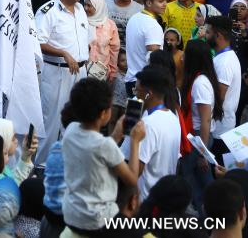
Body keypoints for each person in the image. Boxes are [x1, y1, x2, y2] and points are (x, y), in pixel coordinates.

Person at [61, 78, 140, 234]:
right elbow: (132, 179)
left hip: (72, 214)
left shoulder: (71, 130)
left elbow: (96, 151)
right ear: (104, 113)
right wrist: (135, 141)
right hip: (97, 221)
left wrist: (116, 135)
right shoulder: (105, 146)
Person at [35, 0, 91, 163]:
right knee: (52, 120)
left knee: (77, 118)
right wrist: (63, 53)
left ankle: (69, 163)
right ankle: (42, 165)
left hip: (80, 71)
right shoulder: (48, 11)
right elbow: (38, 42)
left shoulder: (80, 9)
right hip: (57, 71)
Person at [123, 66, 181, 200]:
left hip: (145, 199)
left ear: (148, 94)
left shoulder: (147, 125)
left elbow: (134, 173)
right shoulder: (173, 117)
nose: (135, 95)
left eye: (137, 90)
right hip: (163, 196)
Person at [180, 39, 221, 209]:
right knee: (202, 178)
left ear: (193, 58)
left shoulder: (200, 83)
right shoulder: (198, 80)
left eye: (185, 54)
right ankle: (213, 211)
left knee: (189, 176)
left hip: (198, 138)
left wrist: (203, 153)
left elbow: (205, 120)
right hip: (198, 137)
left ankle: (204, 213)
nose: (182, 57)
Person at [125, 0, 166, 97]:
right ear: (148, 3)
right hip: (145, 83)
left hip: (131, 79)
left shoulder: (134, 18)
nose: (165, 4)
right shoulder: (152, 25)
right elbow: (154, 58)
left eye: (165, 0)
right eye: (161, 1)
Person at [204, 16, 240, 141]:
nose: (205, 36)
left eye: (208, 32)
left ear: (218, 35)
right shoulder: (223, 57)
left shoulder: (225, 62)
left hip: (219, 130)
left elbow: (218, 97)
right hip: (218, 126)